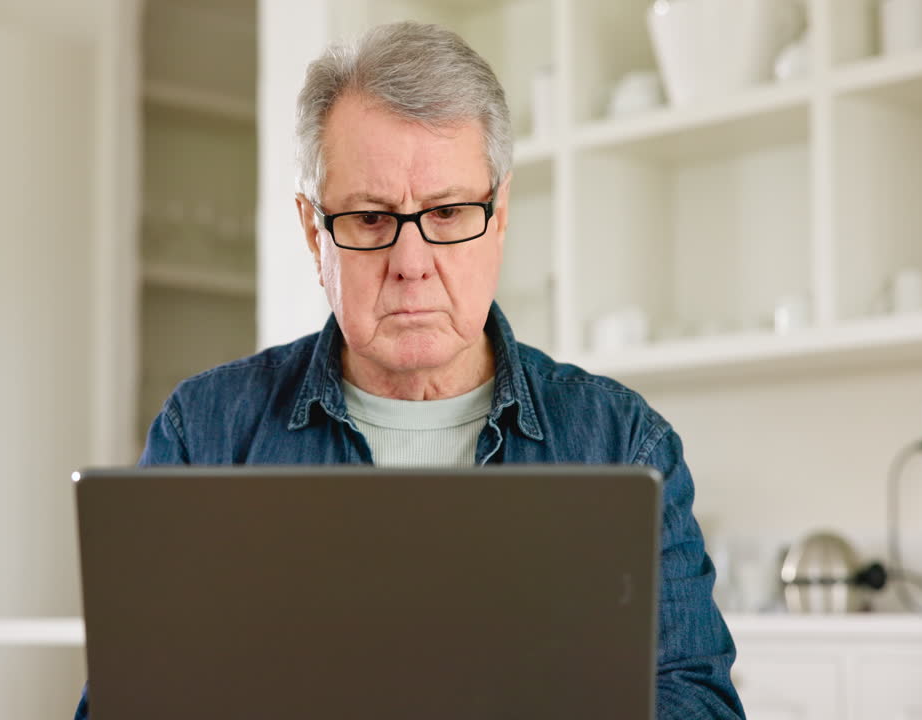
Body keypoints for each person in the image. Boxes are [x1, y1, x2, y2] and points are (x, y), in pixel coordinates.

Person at [74, 21, 744, 719]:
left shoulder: (622, 442)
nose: (412, 262)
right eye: (369, 219)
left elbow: (698, 701)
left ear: (501, 212)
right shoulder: (206, 433)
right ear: (313, 231)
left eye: (450, 212)